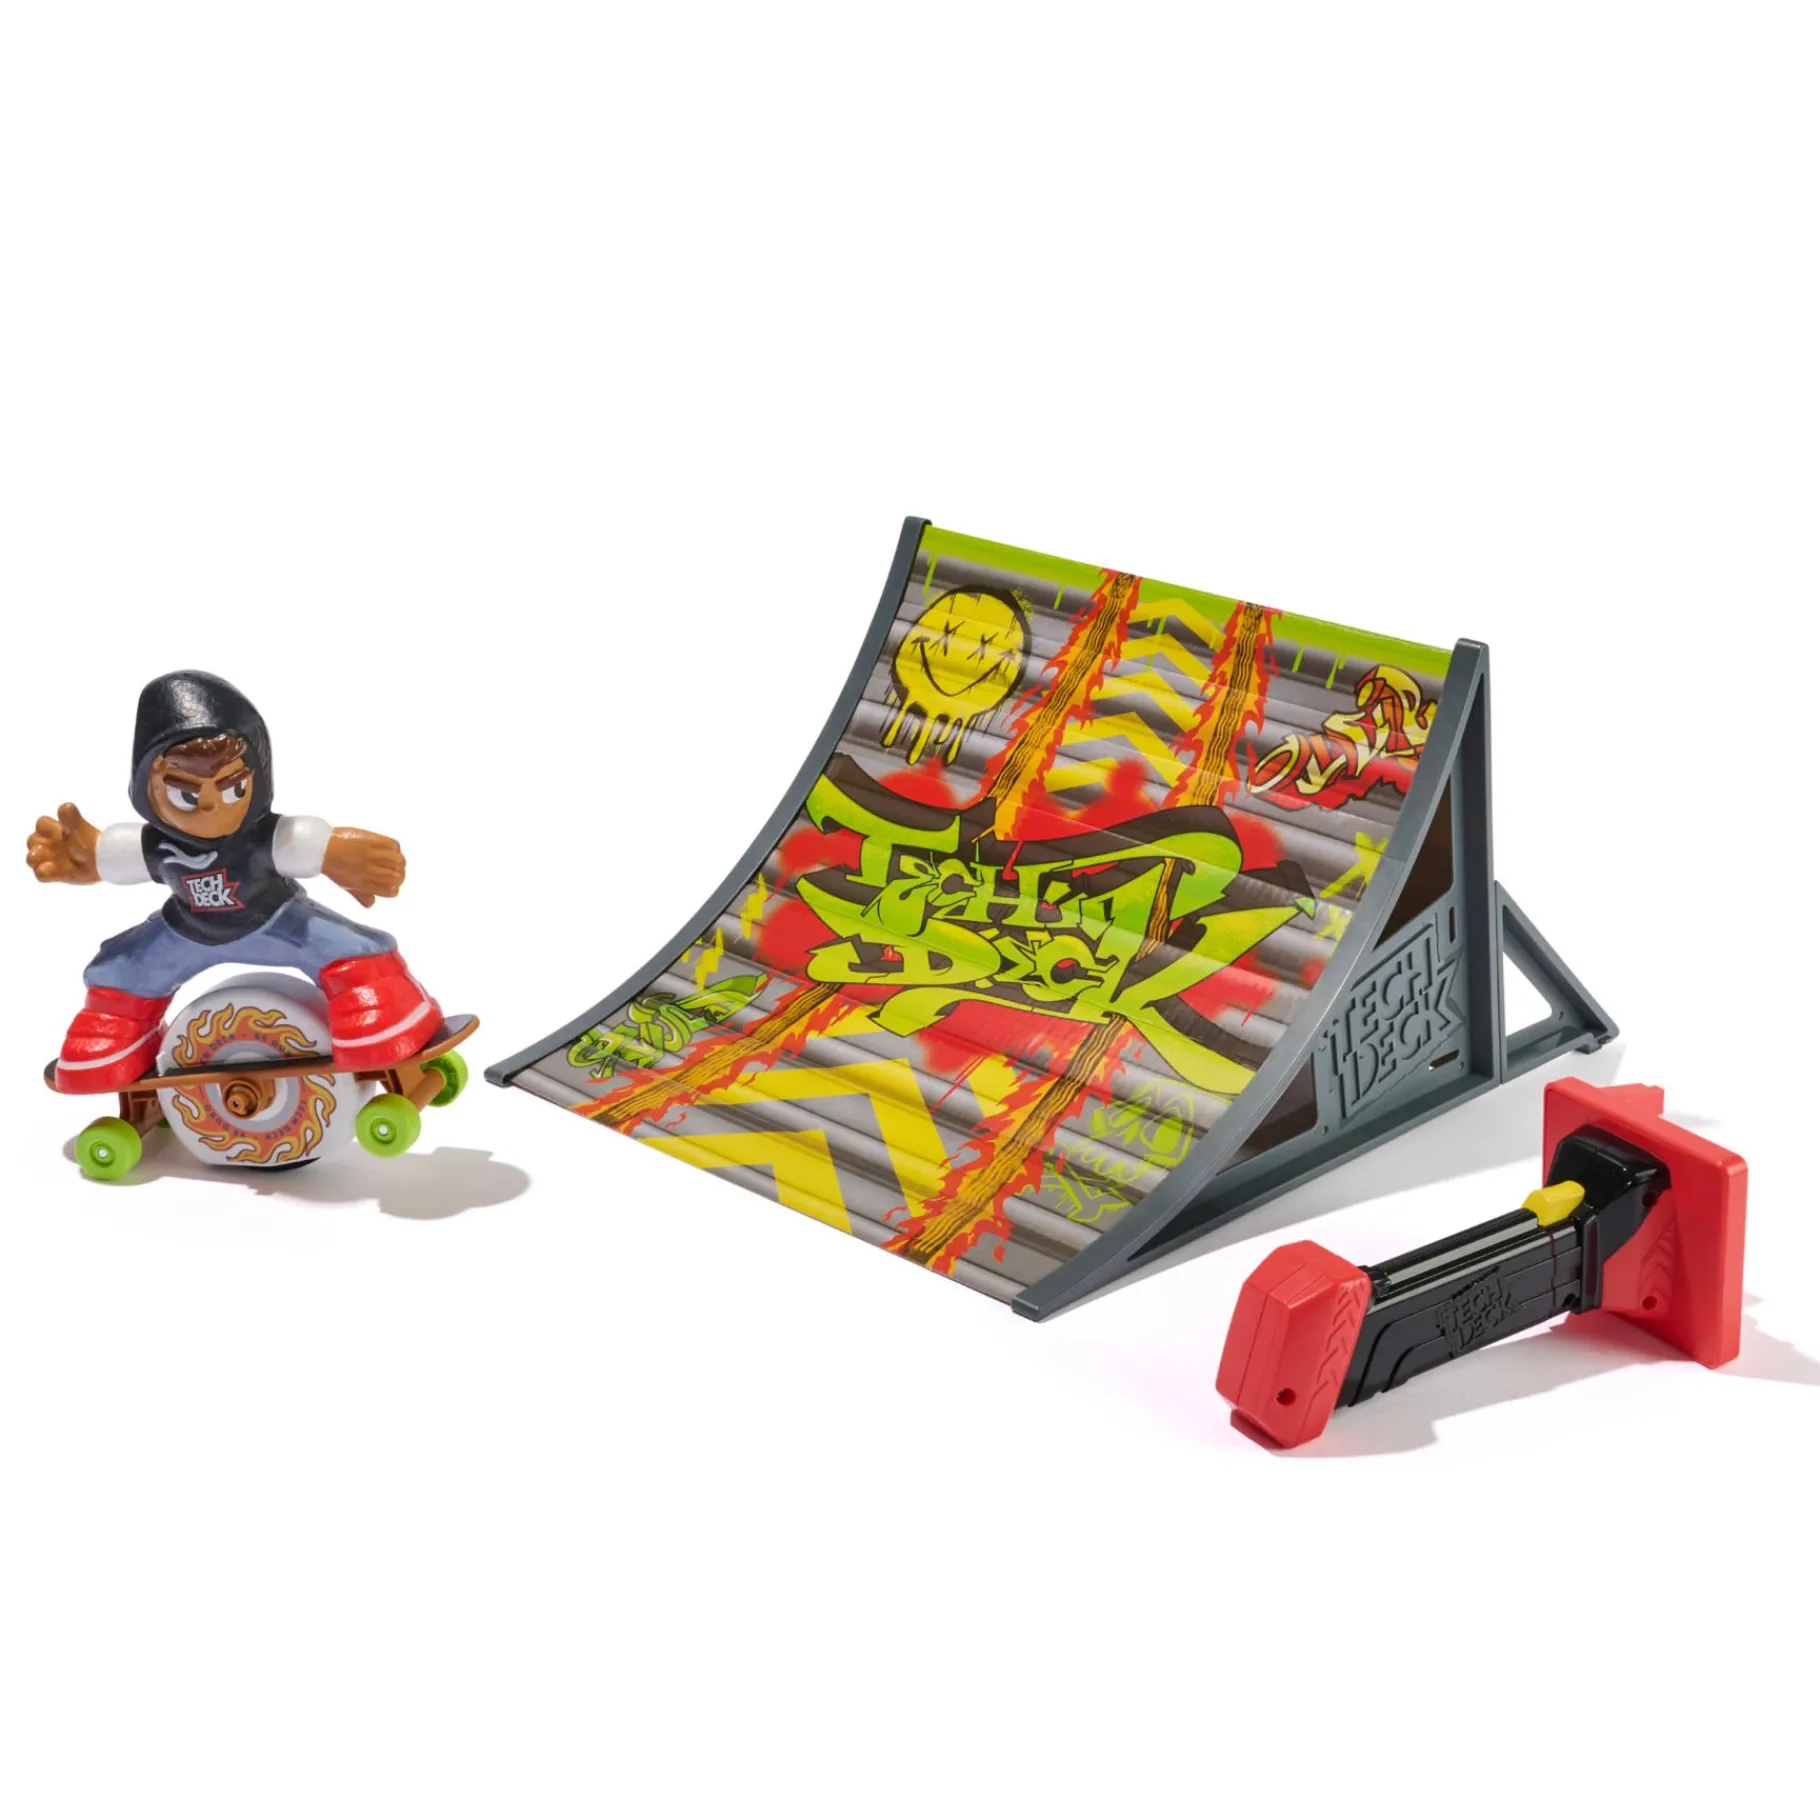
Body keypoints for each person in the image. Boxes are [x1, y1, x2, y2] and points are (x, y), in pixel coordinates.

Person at [26, 670, 441, 1091]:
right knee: (118, 969)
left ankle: (385, 1002)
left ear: (257, 781)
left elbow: (307, 843)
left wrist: (340, 853)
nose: (209, 806)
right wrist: (85, 858)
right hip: (185, 931)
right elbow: (110, 856)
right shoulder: (157, 844)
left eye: (232, 789)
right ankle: (114, 1030)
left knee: (353, 953)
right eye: (185, 794)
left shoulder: (266, 837)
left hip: (277, 922)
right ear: (146, 790)